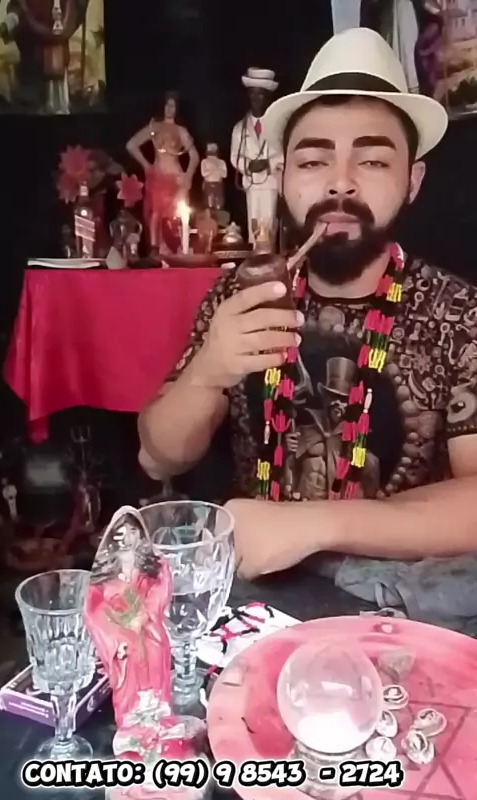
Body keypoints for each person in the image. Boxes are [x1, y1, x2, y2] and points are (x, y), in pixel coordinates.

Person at [138, 27, 477, 581]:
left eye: (372, 162)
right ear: (282, 176)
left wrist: (312, 526)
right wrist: (207, 373)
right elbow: (158, 457)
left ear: (412, 181)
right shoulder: (243, 294)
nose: (340, 185)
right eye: (314, 162)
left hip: (397, 604)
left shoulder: (458, 312)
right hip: (255, 595)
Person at [126, 91, 199, 253]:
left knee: (176, 216)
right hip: (158, 178)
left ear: (177, 109)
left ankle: (177, 250)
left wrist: (187, 177)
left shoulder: (180, 131)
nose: (169, 109)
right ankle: (155, 250)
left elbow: (194, 156)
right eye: (167, 105)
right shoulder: (155, 127)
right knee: (156, 214)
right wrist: (146, 165)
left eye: (173, 106)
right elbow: (131, 145)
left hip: (176, 179)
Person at [230, 68, 283, 245]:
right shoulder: (239, 128)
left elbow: (284, 153)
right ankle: (254, 256)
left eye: (260, 94)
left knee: (269, 223)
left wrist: (268, 164)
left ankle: (269, 256)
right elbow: (234, 155)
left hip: (270, 182)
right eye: (252, 94)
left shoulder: (278, 126)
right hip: (252, 183)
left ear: (268, 96)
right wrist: (247, 166)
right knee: (253, 223)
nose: (256, 99)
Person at [201, 142, 227, 212]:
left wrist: (216, 170)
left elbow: (224, 175)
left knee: (218, 203)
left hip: (218, 184)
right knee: (209, 203)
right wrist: (213, 170)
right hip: (208, 184)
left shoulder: (221, 162)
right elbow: (203, 173)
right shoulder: (204, 161)